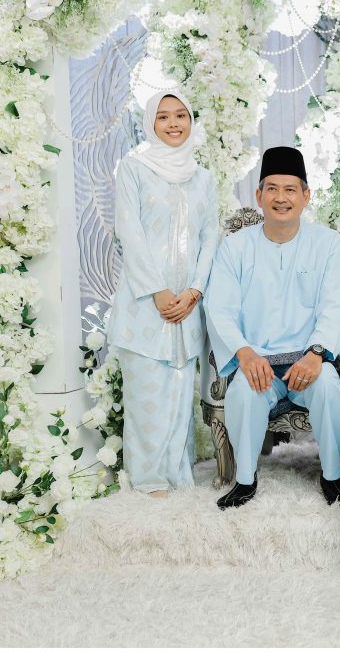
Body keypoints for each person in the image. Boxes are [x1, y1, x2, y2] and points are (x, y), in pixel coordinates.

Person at [204, 146, 340, 509]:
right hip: (257, 362)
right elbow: (219, 307)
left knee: (329, 389)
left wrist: (316, 353)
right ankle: (245, 480)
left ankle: (332, 476)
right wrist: (244, 354)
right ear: (259, 196)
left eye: (290, 189)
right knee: (243, 392)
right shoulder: (235, 247)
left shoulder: (328, 244)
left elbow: (336, 304)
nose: (281, 198)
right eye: (272, 189)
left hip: (309, 361)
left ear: (306, 196)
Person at [107, 90, 220, 497]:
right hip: (145, 305)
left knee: (177, 393)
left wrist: (195, 290)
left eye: (180, 115)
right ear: (151, 124)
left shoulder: (203, 178)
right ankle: (148, 478)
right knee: (146, 394)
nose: (173, 124)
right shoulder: (134, 169)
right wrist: (156, 291)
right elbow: (129, 231)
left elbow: (210, 236)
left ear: (190, 121)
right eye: (163, 117)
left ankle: (178, 475)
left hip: (187, 305)